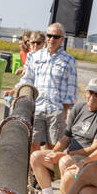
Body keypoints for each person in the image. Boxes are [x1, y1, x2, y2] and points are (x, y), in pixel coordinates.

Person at [30, 78, 97, 194]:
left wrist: (66, 154)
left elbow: (95, 149)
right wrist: (54, 153)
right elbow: (66, 137)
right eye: (90, 92)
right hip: (70, 155)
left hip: (89, 161)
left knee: (65, 161)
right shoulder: (79, 107)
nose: (92, 97)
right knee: (36, 156)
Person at [16, 23, 77, 155]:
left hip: (56, 111)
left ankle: (50, 174)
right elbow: (27, 79)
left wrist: (65, 112)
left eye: (56, 37)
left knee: (53, 147)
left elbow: (71, 89)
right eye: (49, 36)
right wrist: (16, 91)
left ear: (62, 39)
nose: (51, 39)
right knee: (33, 145)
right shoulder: (36, 56)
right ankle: (32, 175)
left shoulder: (69, 60)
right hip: (37, 108)